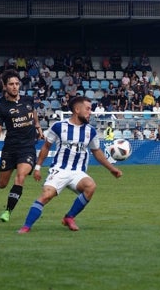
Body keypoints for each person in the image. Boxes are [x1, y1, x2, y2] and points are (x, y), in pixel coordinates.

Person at [17, 96, 122, 233]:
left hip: (77, 172)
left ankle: (69, 217)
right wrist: (37, 167)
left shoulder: (91, 131)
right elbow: (46, 147)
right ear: (77, 109)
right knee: (46, 195)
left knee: (90, 186)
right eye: (88, 109)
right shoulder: (59, 126)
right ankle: (26, 226)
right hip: (59, 170)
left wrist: (112, 169)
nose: (90, 112)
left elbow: (97, 152)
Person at [0, 69, 44, 222]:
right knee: (2, 184)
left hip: (27, 148)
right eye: (11, 84)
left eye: (16, 84)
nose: (14, 87)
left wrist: (38, 128)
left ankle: (7, 211)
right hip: (10, 148)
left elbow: (33, 114)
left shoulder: (28, 100)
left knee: (20, 177)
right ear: (5, 86)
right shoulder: (2, 108)